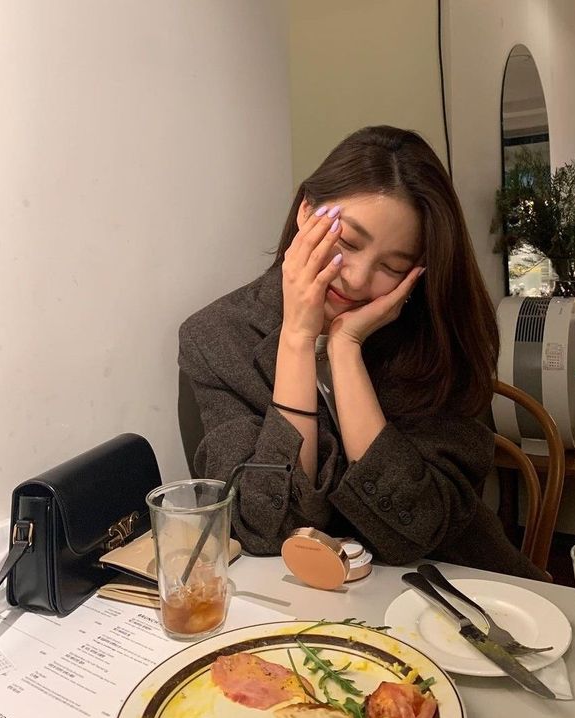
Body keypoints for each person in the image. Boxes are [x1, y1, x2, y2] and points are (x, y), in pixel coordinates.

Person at [179, 125, 545, 580]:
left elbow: (418, 530)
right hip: (299, 607)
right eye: (347, 243)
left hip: (458, 591)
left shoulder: (438, 336)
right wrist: (297, 336)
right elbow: (262, 526)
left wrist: (345, 350)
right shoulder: (217, 337)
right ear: (306, 211)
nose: (355, 279)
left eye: (392, 267)